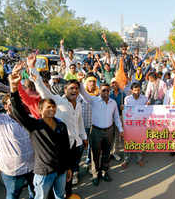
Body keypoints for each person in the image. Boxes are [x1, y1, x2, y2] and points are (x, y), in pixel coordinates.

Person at [28, 54, 87, 191]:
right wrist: (32, 67)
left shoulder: (78, 104)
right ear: (65, 90)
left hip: (76, 144)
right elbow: (41, 88)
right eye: (71, 88)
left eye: (76, 89)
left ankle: (69, 191)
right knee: (60, 175)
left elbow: (79, 122)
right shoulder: (57, 100)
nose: (74, 91)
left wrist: (83, 137)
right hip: (60, 147)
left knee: (71, 172)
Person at [9, 74, 73, 199]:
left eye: (53, 107)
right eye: (48, 107)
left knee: (60, 196)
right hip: (44, 173)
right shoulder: (34, 126)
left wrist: (68, 167)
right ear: (40, 110)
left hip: (61, 171)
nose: (52, 109)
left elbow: (66, 148)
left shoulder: (61, 125)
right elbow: (18, 111)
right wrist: (14, 88)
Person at [78, 81, 124, 186]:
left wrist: (121, 130)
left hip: (109, 131)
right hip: (96, 131)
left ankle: (104, 171)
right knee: (95, 154)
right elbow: (84, 94)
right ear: (99, 91)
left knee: (107, 153)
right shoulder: (93, 100)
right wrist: (80, 83)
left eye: (108, 90)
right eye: (104, 90)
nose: (106, 92)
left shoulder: (113, 103)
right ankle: (95, 174)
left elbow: (116, 117)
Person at [122, 82, 148, 168]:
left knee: (139, 141)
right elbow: (126, 111)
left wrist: (148, 106)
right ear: (131, 90)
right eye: (135, 90)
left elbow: (147, 111)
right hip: (130, 123)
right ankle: (126, 159)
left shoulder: (144, 99)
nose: (137, 92)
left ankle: (139, 159)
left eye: (138, 90)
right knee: (128, 141)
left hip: (140, 123)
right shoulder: (127, 99)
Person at [109, 79, 126, 161]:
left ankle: (115, 152)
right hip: (109, 117)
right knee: (109, 136)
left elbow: (127, 106)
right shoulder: (108, 94)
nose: (114, 84)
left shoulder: (123, 94)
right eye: (112, 83)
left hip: (119, 116)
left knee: (117, 136)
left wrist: (124, 107)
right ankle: (108, 153)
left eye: (116, 82)